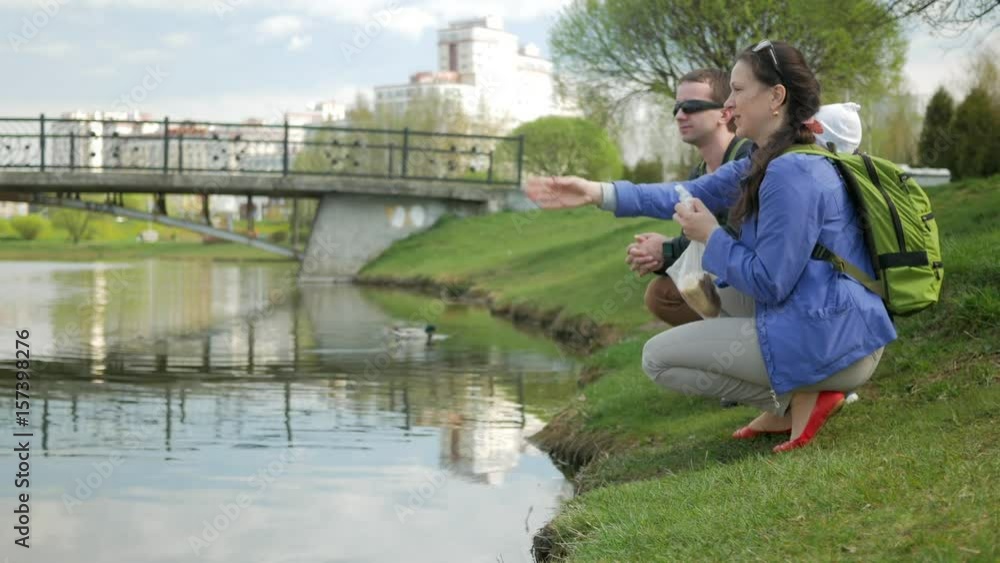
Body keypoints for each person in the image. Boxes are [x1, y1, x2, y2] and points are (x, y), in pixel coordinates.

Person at [524, 40, 896, 452]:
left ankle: (800, 398)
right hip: (826, 323)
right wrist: (596, 192)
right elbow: (685, 193)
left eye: (737, 90)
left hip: (835, 343)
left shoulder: (792, 174)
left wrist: (711, 235)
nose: (728, 104)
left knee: (657, 359)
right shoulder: (767, 158)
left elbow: (770, 283)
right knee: (708, 281)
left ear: (776, 97)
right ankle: (797, 400)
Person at [627, 69, 751, 328]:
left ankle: (749, 341)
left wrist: (666, 249)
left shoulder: (749, 157)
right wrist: (659, 255)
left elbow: (735, 235)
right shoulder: (698, 173)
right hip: (727, 274)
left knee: (662, 296)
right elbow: (695, 244)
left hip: (756, 279)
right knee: (661, 294)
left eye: (692, 106)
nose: (680, 115)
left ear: (725, 113)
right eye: (677, 108)